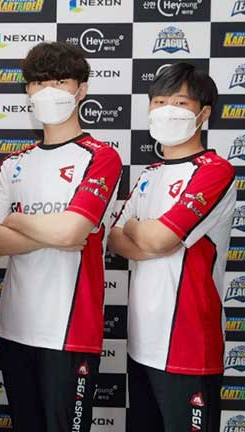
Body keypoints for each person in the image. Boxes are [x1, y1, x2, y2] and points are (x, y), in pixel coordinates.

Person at [0, 41, 122, 432]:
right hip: (15, 326)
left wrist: (17, 220)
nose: (49, 92)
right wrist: (51, 232)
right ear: (28, 90)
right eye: (40, 83)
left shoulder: (101, 156)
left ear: (81, 90)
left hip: (70, 330)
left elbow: (72, 231)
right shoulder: (14, 163)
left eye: (60, 82)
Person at [108, 63, 234, 432]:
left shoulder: (215, 170)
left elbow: (160, 238)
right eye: (159, 102)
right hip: (141, 342)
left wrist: (142, 229)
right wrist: (150, 234)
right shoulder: (149, 174)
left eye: (180, 103)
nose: (167, 111)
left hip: (189, 345)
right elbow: (115, 237)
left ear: (203, 114)